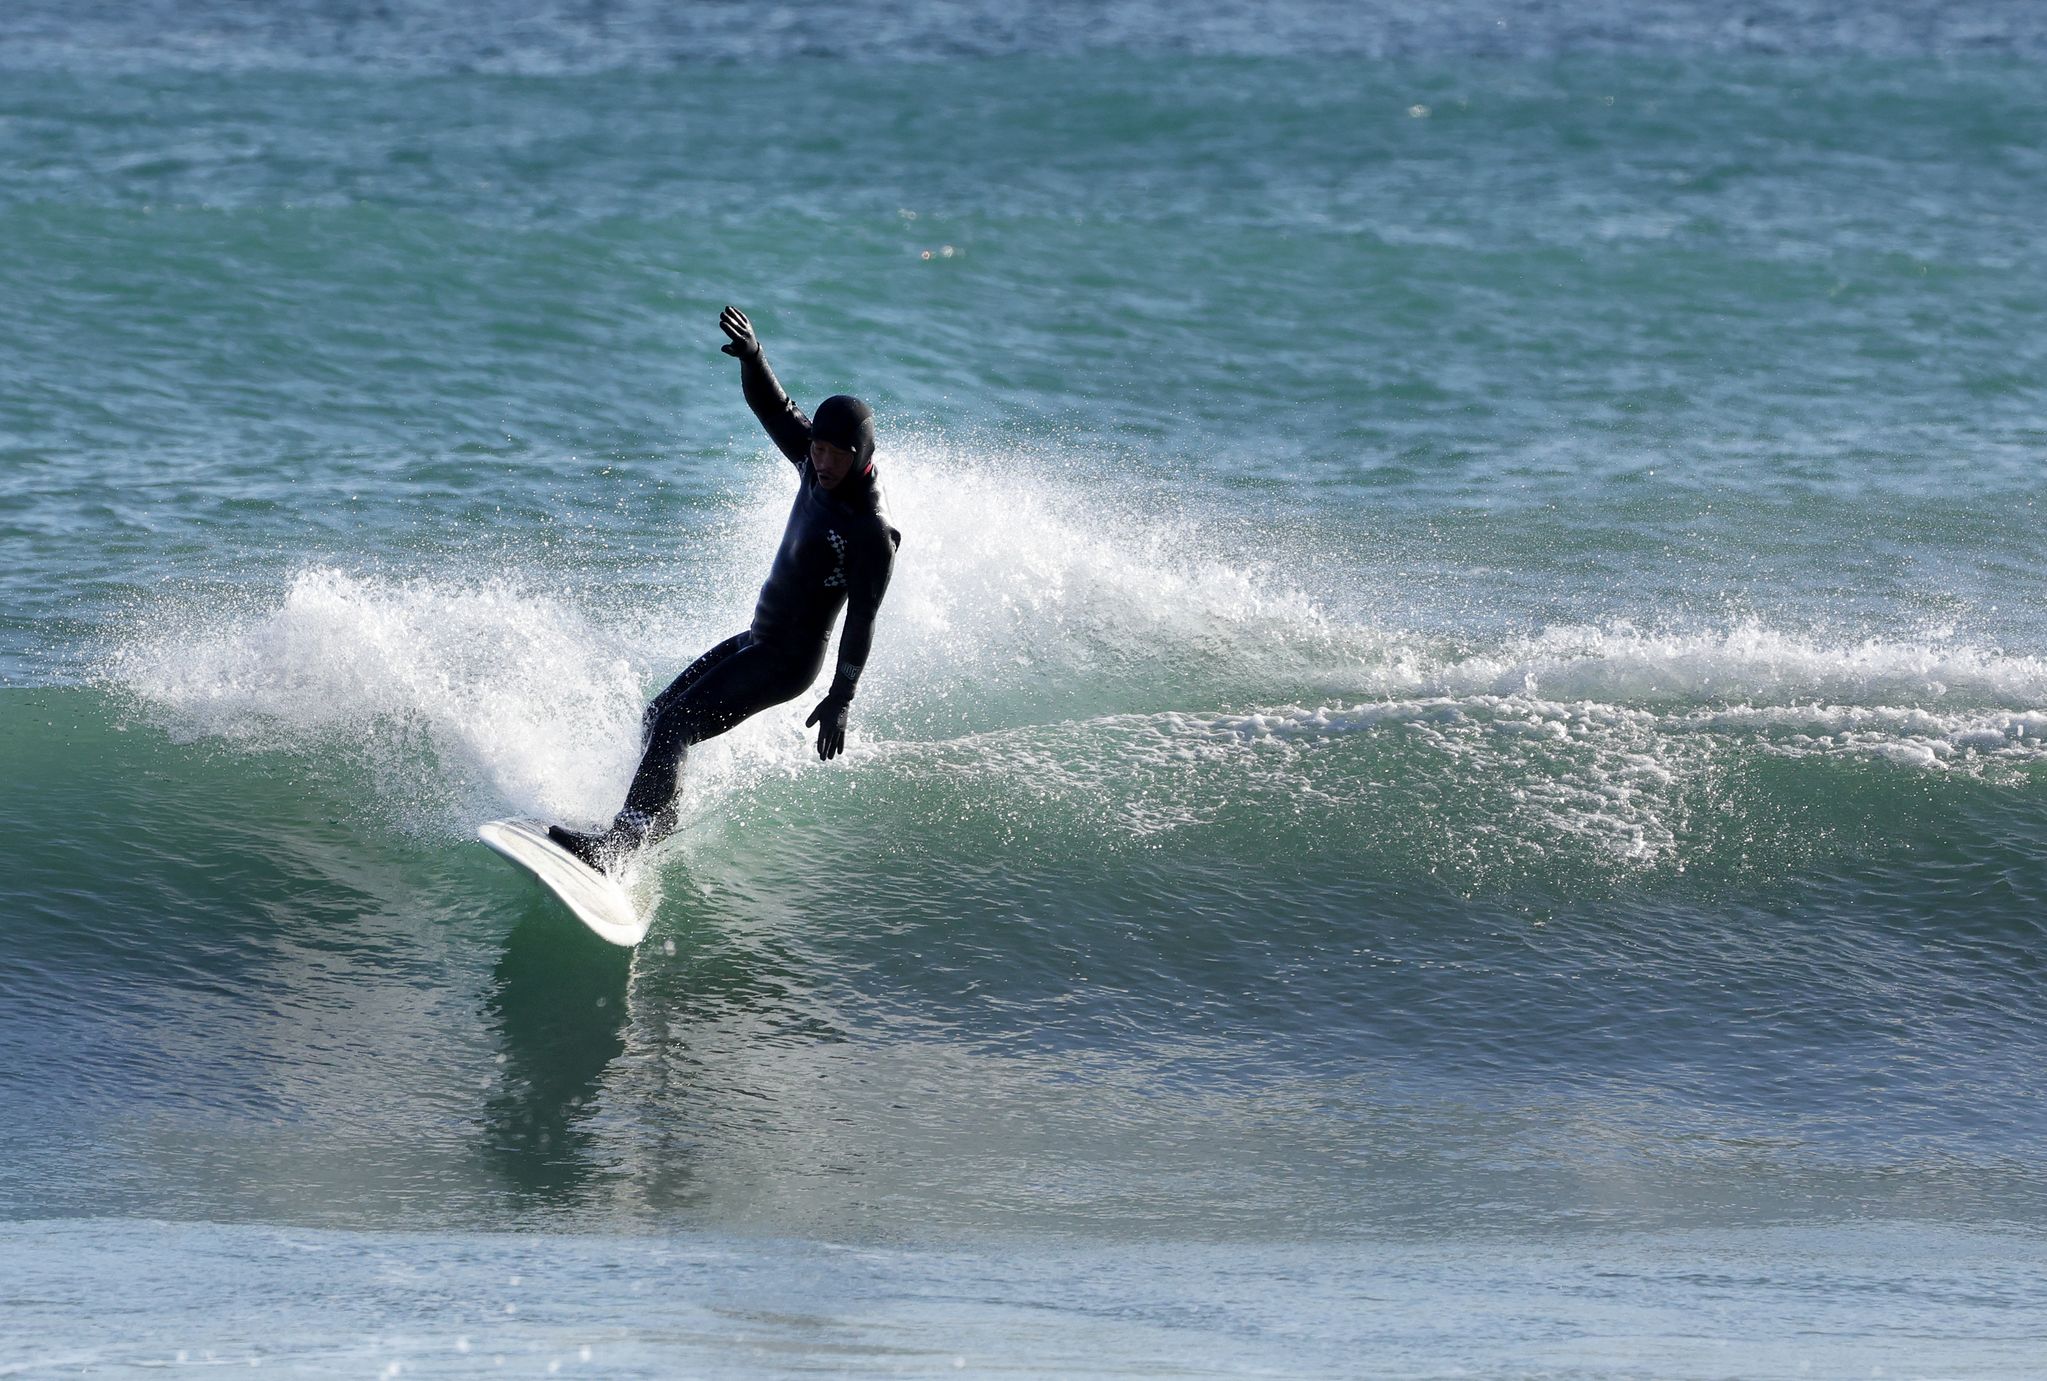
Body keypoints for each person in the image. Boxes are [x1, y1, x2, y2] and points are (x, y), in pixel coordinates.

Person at [550, 306, 901, 872]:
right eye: (819, 448)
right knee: (657, 716)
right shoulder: (815, 462)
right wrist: (754, 358)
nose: (823, 459)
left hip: (789, 660)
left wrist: (841, 698)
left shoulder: (870, 531)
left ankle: (621, 845)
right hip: (760, 638)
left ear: (862, 455)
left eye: (837, 453)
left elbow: (862, 619)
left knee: (676, 727)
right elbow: (775, 408)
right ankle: (650, 819)